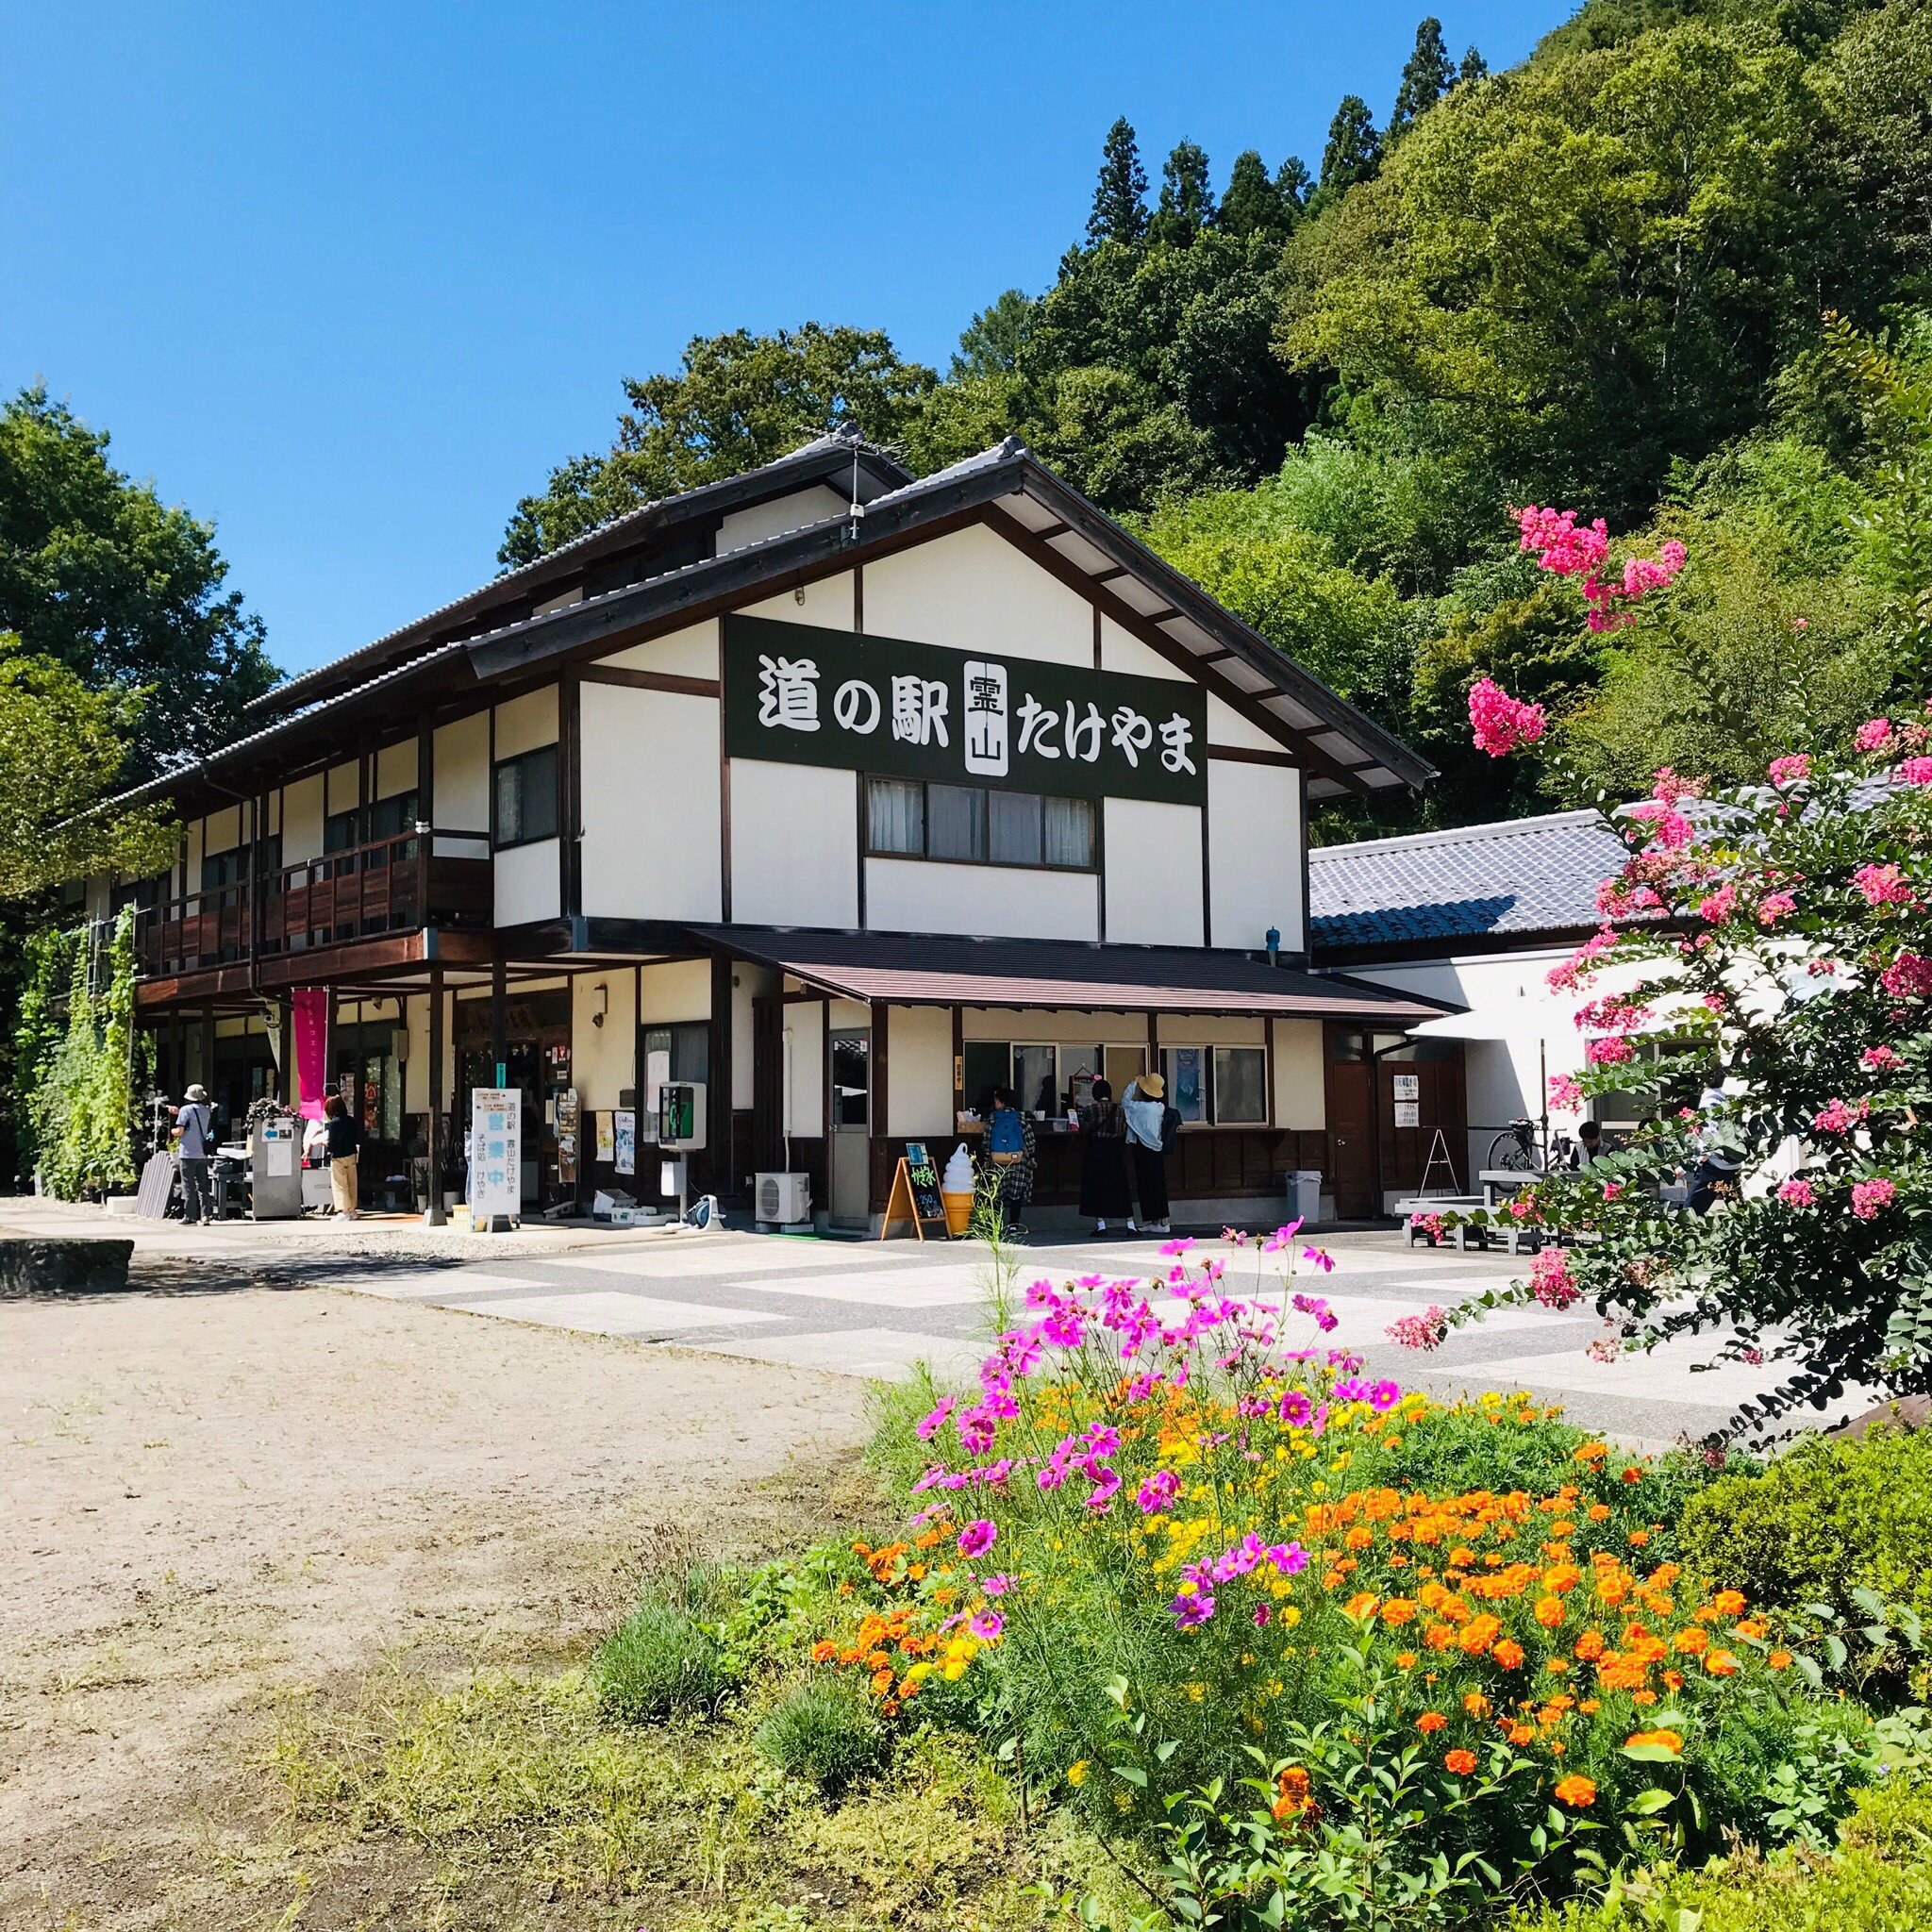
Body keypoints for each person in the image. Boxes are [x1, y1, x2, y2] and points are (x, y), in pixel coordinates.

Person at [1077, 1076, 1134, 1233]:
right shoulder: (1119, 1110)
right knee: (1121, 1187)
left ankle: (1101, 1225)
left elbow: (1084, 1130)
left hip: (1096, 1151)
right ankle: (1130, 1224)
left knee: (1097, 1188)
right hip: (1115, 1151)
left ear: (1095, 1093)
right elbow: (1123, 1130)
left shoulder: (1090, 1109)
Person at [1122, 1071, 1174, 1233]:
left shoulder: (1142, 1108)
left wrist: (1133, 1084)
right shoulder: (1160, 1108)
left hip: (1144, 1149)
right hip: (1157, 1149)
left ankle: (1156, 1222)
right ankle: (1162, 1221)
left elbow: (1125, 1103)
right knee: (1158, 1184)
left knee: (1147, 1186)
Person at [984, 1086, 1036, 1238]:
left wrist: (988, 1157)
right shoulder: (1021, 1117)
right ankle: (1013, 1224)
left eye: (996, 1100)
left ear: (1001, 1102)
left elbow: (987, 1140)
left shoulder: (993, 1118)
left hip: (998, 1160)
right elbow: (1029, 1139)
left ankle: (996, 1224)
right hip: (1017, 1160)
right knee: (1016, 1194)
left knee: (997, 1193)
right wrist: (1031, 1156)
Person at [173, 1083, 215, 1224]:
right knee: (203, 1185)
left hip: (188, 1152)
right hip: (202, 1152)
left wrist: (173, 1132)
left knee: (189, 1185)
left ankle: (190, 1216)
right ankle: (205, 1215)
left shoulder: (185, 1110)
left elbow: (180, 1131)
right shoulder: (207, 1110)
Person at [323, 1091, 362, 1219]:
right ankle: (353, 1210)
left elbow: (332, 1142)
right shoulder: (351, 1120)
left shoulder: (334, 1123)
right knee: (352, 1183)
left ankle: (344, 1211)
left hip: (338, 1156)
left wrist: (326, 1145)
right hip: (351, 1155)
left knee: (340, 1184)